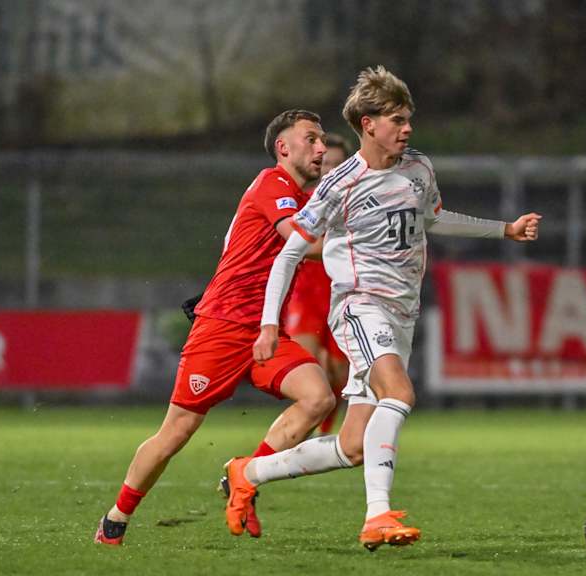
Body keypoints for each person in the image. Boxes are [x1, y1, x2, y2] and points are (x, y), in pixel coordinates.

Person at [223, 66, 541, 550]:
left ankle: (249, 471)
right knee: (400, 392)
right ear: (368, 124)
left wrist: (505, 229)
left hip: (401, 314)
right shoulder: (339, 184)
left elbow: (435, 218)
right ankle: (377, 516)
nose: (407, 128)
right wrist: (269, 323)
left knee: (353, 446)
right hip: (359, 305)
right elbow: (289, 253)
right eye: (397, 119)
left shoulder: (419, 168)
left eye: (408, 118)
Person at [94, 110, 336, 545]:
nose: (320, 148)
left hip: (265, 331)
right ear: (283, 147)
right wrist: (367, 245)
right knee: (177, 432)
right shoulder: (272, 184)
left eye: (322, 140)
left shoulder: (302, 198)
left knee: (318, 397)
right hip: (222, 328)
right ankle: (116, 518)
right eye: (311, 139)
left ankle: (244, 475)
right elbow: (302, 243)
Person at [284, 133, 353, 435]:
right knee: (311, 365)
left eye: (339, 164)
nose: (332, 169)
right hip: (306, 293)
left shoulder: (357, 203)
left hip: (341, 292)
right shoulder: (304, 202)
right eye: (327, 163)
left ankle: (324, 428)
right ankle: (309, 427)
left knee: (339, 372)